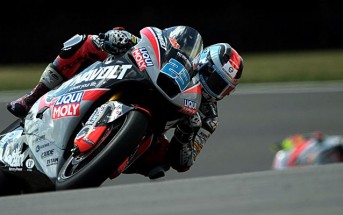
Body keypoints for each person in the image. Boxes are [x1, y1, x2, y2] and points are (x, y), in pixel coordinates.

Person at [7, 26, 244, 179]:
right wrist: (123, 38)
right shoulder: (182, 56)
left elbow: (185, 161)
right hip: (142, 79)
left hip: (150, 129)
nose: (214, 88)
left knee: (161, 161)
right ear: (203, 61)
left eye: (222, 87)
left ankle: (105, 156)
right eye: (212, 77)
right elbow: (158, 42)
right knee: (86, 42)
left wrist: (187, 133)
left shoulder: (208, 118)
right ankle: (33, 96)